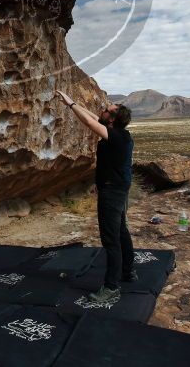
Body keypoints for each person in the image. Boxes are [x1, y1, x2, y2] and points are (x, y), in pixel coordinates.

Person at [56, 90, 136, 303]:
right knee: (120, 231)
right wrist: (71, 101)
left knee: (111, 240)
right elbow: (93, 117)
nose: (102, 110)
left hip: (112, 192)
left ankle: (111, 287)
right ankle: (128, 271)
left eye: (107, 110)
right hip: (118, 189)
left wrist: (71, 106)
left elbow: (90, 123)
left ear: (112, 119)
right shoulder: (119, 133)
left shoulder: (116, 136)